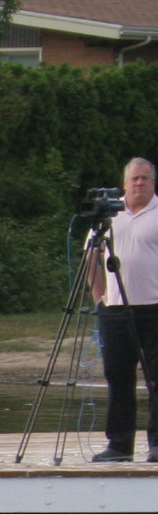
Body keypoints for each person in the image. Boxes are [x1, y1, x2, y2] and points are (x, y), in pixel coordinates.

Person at [91, 157, 158, 463]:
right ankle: (119, 446)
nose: (139, 183)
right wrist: (98, 296)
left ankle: (157, 444)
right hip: (115, 311)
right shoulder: (108, 217)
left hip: (154, 309)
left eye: (145, 178)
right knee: (118, 379)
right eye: (134, 179)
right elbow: (91, 258)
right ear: (124, 183)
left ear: (153, 182)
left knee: (157, 378)